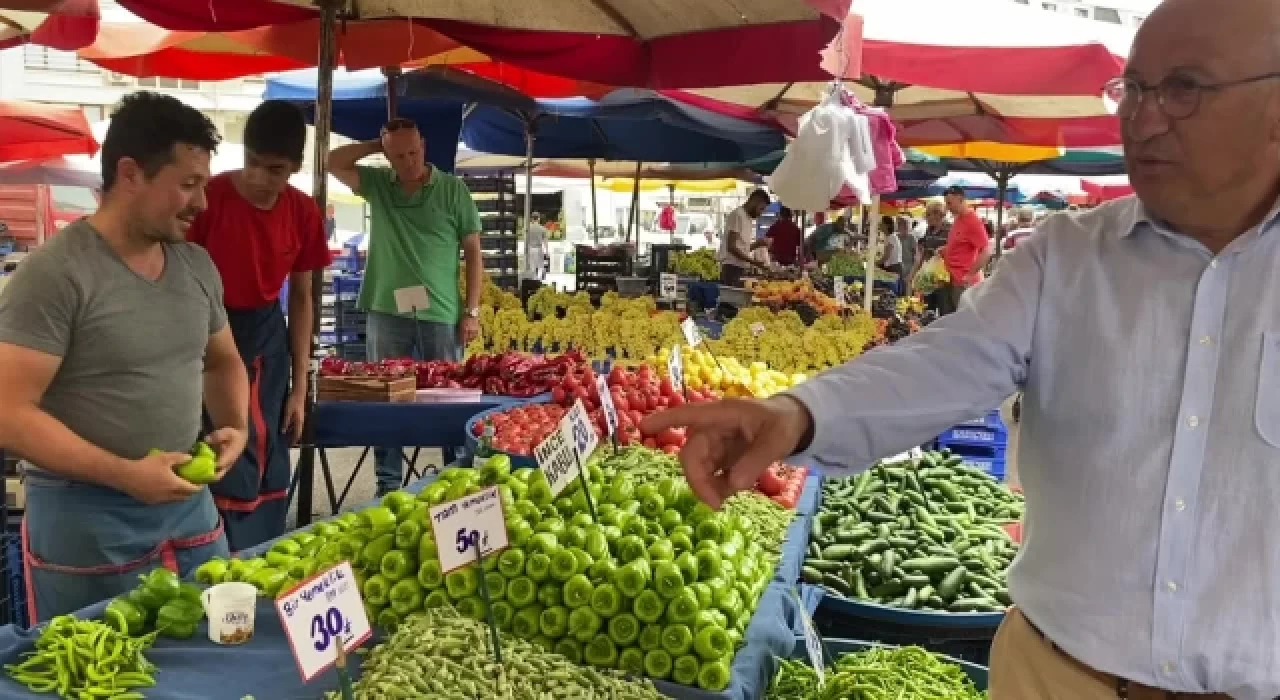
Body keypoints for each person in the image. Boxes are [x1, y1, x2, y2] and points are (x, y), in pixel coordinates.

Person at [644, 0, 1280, 696]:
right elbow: (942, 365)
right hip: (1055, 677)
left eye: (1184, 88)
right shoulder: (1066, 257)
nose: (1144, 117)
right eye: (1132, 89)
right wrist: (796, 415)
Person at [0, 92, 249, 620]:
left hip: (189, 510)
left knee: (210, 662)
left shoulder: (196, 265)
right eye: (187, 184)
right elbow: (9, 412)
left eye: (203, 183)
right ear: (131, 173)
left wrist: (236, 425)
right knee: (99, 677)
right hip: (86, 523)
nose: (202, 203)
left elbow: (223, 359)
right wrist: (125, 473)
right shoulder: (55, 274)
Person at [187, 101, 333, 551]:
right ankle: (222, 551)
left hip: (271, 332)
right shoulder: (208, 199)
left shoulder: (303, 211)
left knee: (271, 441)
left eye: (273, 169)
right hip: (209, 327)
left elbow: (304, 298)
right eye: (252, 162)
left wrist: (299, 386)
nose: (258, 176)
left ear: (293, 168)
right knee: (228, 443)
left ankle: (265, 548)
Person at [328, 118, 483, 496]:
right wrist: (374, 145)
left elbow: (474, 253)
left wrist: (472, 311)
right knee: (386, 400)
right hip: (386, 309)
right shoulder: (379, 185)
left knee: (449, 398)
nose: (408, 161)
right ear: (388, 155)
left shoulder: (452, 190)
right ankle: (388, 484)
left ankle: (454, 478)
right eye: (398, 155)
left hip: (441, 313)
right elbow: (332, 161)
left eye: (413, 152)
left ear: (424, 146)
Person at [938, 185, 989, 314]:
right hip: (953, 279)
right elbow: (960, 244)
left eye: (949, 203)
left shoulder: (973, 221)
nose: (947, 207)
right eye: (946, 203)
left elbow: (986, 250)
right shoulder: (958, 219)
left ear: (960, 199)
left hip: (963, 283)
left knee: (963, 320)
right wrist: (945, 250)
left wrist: (970, 274)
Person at [716, 189, 769, 286]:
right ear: (755, 201)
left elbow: (742, 248)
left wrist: (758, 244)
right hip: (731, 267)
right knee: (730, 299)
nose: (760, 214)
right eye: (761, 209)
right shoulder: (738, 215)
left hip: (739, 267)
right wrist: (753, 262)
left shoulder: (747, 218)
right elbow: (731, 247)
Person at [895, 216, 920, 295]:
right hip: (898, 269)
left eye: (905, 225)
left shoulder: (911, 238)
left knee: (907, 294)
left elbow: (917, 257)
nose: (903, 228)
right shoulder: (896, 237)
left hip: (909, 269)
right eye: (900, 225)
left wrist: (911, 274)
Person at [875, 215, 903, 280]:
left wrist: (875, 263)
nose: (879, 225)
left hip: (894, 268)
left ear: (887, 225)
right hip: (892, 267)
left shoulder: (891, 237)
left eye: (881, 223)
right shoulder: (889, 237)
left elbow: (886, 256)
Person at [523, 212, 548, 282]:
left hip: (530, 249)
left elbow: (525, 239)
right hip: (539, 249)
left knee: (532, 266)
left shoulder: (527, 228)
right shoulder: (543, 229)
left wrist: (525, 250)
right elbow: (545, 241)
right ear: (539, 219)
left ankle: (533, 280)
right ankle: (539, 280)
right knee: (540, 265)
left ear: (531, 219)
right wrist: (547, 251)